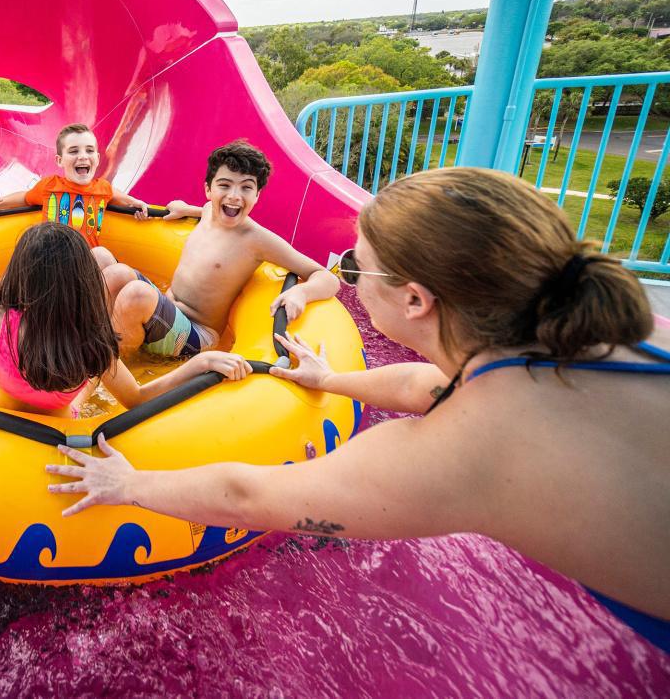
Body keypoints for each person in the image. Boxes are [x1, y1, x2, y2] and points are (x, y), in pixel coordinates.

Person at [48, 167, 670, 651]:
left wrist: (125, 481)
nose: (345, 278)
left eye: (354, 267)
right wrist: (334, 379)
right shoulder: (617, 331)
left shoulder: (466, 449)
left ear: (416, 300)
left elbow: (247, 496)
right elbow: (429, 385)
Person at [0, 222, 251, 418]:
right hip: (62, 423)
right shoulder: (94, 339)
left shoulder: (1, 323)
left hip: (0, 422)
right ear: (82, 281)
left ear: (22, 274)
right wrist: (199, 363)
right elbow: (136, 399)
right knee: (86, 387)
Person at [104, 140, 340, 357]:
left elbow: (327, 278)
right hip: (167, 309)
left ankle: (115, 368)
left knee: (136, 294)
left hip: (197, 334)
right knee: (115, 271)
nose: (234, 196)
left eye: (246, 188)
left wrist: (301, 292)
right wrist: (185, 209)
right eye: (224, 185)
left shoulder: (256, 239)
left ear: (257, 195)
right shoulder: (209, 211)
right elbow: (205, 209)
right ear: (209, 189)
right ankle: (92, 341)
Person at [0, 123, 150, 269]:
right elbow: (24, 198)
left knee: (103, 255)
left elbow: (114, 194)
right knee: (24, 257)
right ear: (60, 161)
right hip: (52, 260)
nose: (83, 156)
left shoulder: (102, 188)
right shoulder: (50, 186)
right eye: (74, 151)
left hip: (86, 262)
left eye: (89, 150)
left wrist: (133, 202)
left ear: (97, 158)